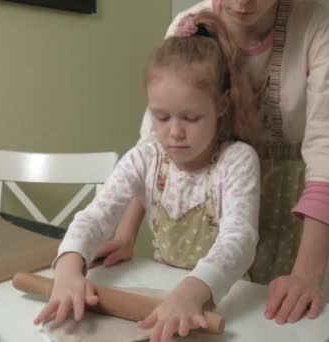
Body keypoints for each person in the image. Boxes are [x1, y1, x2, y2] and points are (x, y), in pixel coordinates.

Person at [96, 0, 329, 325]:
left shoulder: (319, 21)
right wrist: (125, 235)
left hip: (282, 208)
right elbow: (154, 149)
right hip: (207, 205)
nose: (241, 2)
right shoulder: (189, 25)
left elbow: (327, 152)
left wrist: (306, 274)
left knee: (262, 322)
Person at [33, 12, 261, 342]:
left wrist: (190, 294)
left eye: (191, 117)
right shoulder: (145, 158)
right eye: (161, 116)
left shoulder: (237, 161)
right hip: (161, 294)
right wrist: (68, 269)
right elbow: (96, 216)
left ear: (221, 105)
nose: (175, 133)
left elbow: (239, 240)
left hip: (224, 300)